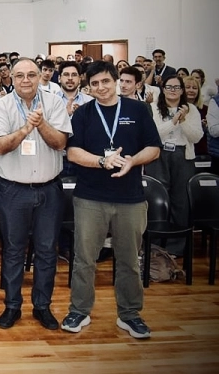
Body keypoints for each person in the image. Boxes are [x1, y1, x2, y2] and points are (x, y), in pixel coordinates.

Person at [60, 61, 161, 340]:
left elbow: (154, 148)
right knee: (84, 259)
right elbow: (73, 153)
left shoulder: (138, 110)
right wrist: (102, 161)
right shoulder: (83, 114)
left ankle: (130, 314)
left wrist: (132, 161)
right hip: (90, 197)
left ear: (116, 80)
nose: (101, 88)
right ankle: (79, 310)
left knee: (129, 260)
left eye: (105, 81)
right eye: (94, 84)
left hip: (131, 198)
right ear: (88, 87)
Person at [0, 58, 71, 330]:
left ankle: (42, 306)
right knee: (13, 250)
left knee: (47, 250)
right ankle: (12, 306)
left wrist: (41, 123)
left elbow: (60, 142)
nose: (26, 80)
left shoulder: (54, 103)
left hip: (49, 190)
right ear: (11, 78)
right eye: (20, 75)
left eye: (31, 75)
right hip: (14, 190)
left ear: (40, 77)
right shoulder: (1, 106)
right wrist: (26, 128)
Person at [151, 75, 203, 251]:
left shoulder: (191, 110)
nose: (172, 90)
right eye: (169, 87)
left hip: (183, 156)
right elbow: (154, 134)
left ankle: (176, 247)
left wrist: (183, 120)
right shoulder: (154, 107)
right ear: (163, 89)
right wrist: (173, 122)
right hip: (159, 155)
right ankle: (156, 246)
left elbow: (196, 137)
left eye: (176, 87)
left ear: (182, 90)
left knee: (181, 201)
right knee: (158, 199)